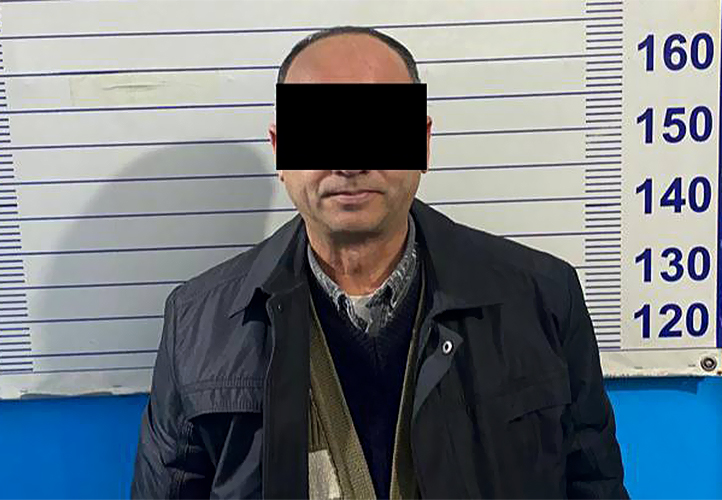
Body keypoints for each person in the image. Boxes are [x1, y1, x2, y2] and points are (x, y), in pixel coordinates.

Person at [131, 25, 629, 499]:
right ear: (281, 152)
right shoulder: (199, 324)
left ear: (423, 142)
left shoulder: (542, 299)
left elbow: (594, 485)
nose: (350, 163)